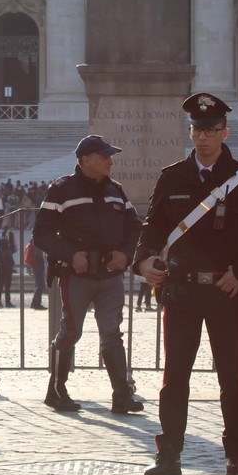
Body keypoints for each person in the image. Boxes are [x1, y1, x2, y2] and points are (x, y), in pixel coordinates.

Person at [135, 93, 238, 475]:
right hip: (180, 291)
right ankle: (169, 456)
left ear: (224, 132)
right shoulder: (172, 176)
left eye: (210, 130)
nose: (202, 137)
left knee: (231, 378)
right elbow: (152, 228)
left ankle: (237, 457)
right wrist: (144, 261)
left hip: (224, 290)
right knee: (174, 377)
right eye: (197, 130)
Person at [34, 135, 143, 415]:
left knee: (112, 333)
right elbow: (42, 234)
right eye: (104, 156)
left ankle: (121, 395)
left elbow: (134, 228)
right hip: (76, 274)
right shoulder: (61, 190)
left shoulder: (116, 190)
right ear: (85, 161)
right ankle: (57, 391)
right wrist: (71, 254)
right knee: (70, 332)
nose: (110, 160)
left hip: (110, 273)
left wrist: (125, 253)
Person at [0, 230, 17, 308]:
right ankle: (7, 302)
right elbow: (12, 262)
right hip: (8, 271)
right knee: (7, 288)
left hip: (1, 271)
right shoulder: (8, 252)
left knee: (0, 287)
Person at [24, 237, 47, 310]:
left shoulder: (33, 242)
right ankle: (35, 303)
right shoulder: (36, 243)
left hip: (36, 264)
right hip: (38, 264)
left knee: (39, 284)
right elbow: (37, 255)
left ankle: (36, 303)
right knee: (40, 284)